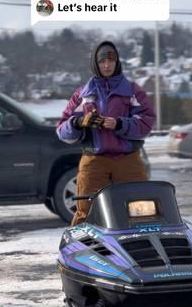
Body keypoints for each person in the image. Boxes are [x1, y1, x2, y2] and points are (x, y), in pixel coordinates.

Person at [56, 40, 156, 225]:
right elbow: (62, 130)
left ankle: (139, 251)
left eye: (111, 60)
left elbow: (147, 123)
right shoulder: (82, 95)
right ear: (96, 63)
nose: (107, 65)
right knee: (86, 214)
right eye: (102, 61)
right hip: (94, 161)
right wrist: (78, 123)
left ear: (117, 62)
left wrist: (120, 124)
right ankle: (82, 252)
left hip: (128, 160)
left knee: (141, 212)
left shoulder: (132, 91)